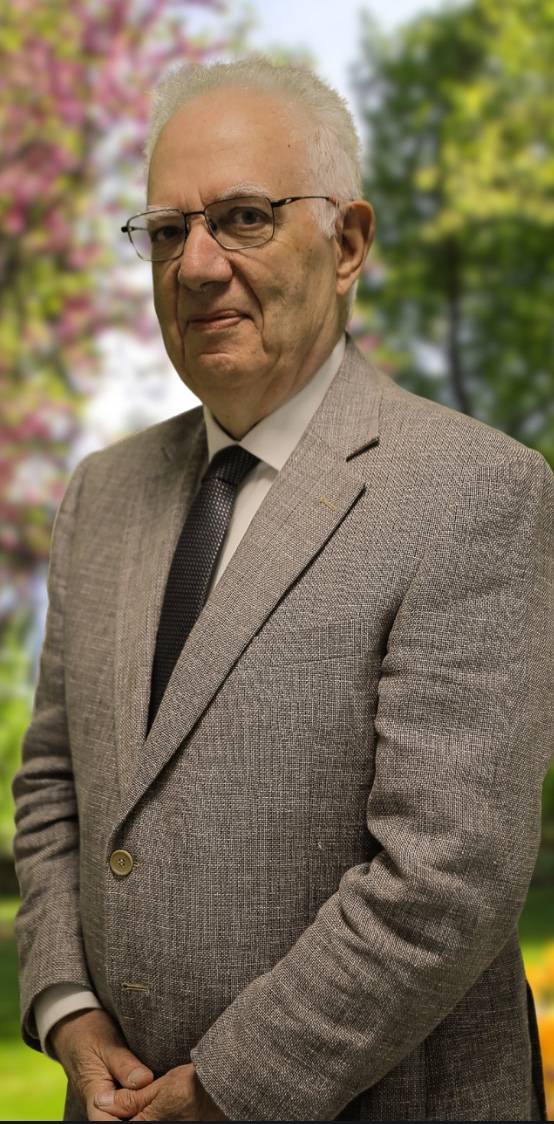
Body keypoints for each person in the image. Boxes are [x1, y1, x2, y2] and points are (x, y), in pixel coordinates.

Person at [12, 56, 553, 1123]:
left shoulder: (474, 490)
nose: (196, 265)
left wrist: (226, 1087)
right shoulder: (101, 494)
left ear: (347, 243)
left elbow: (446, 875)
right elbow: (53, 788)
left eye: (243, 218)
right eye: (167, 231)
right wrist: (67, 1007)